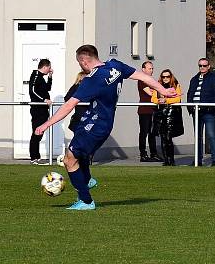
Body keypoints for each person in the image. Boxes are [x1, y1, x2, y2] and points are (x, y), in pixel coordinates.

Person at [35, 45, 176, 211]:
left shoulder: (92, 79)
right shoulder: (115, 65)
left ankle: (86, 201)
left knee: (69, 160)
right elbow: (142, 76)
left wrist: (45, 124)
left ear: (84, 61)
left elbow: (68, 106)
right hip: (95, 121)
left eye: (79, 63)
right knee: (77, 154)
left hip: (97, 123)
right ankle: (86, 180)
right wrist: (163, 91)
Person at [186, 58, 215, 167]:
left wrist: (209, 108)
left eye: (204, 65)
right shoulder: (194, 79)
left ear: (209, 66)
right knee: (198, 136)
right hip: (196, 112)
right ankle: (198, 160)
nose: (202, 67)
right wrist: (190, 108)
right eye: (200, 65)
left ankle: (214, 160)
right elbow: (190, 94)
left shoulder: (214, 79)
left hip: (208, 112)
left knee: (211, 135)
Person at [151, 69, 183, 166]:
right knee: (163, 137)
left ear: (171, 77)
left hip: (172, 114)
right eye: (163, 77)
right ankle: (166, 160)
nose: (165, 78)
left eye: (167, 76)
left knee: (168, 137)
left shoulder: (176, 84)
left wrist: (166, 100)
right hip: (160, 113)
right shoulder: (157, 85)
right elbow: (153, 98)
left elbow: (178, 99)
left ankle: (171, 160)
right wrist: (159, 101)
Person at [28, 59, 53, 165]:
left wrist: (50, 77)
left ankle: (37, 157)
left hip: (43, 110)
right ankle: (34, 158)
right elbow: (32, 91)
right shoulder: (35, 76)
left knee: (40, 132)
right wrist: (44, 100)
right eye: (49, 67)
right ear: (45, 67)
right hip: (37, 109)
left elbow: (48, 88)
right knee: (36, 132)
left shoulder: (42, 78)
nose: (50, 69)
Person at [137, 61, 161, 162]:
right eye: (149, 68)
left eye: (152, 68)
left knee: (152, 133)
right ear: (144, 69)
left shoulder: (152, 80)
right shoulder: (142, 80)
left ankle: (154, 153)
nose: (151, 70)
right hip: (145, 110)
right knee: (144, 132)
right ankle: (143, 154)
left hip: (153, 110)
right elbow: (150, 93)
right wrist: (159, 90)